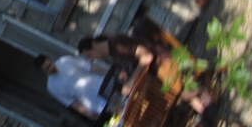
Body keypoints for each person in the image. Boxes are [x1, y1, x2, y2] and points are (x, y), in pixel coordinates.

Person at [78, 33, 214, 114]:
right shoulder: (112, 54)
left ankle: (200, 91)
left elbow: (147, 56)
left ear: (94, 44)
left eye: (89, 55)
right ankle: (199, 99)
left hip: (163, 61)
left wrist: (132, 80)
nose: (92, 59)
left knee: (169, 99)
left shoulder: (116, 43)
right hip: (154, 73)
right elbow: (130, 63)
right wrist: (125, 76)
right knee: (159, 102)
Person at [34, 53, 112, 122]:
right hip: (97, 104)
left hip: (105, 85)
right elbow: (73, 103)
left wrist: (112, 74)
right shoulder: (51, 87)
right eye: (47, 68)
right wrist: (90, 115)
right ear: (43, 71)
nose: (51, 68)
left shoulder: (65, 60)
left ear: (50, 60)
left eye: (50, 64)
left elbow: (91, 68)